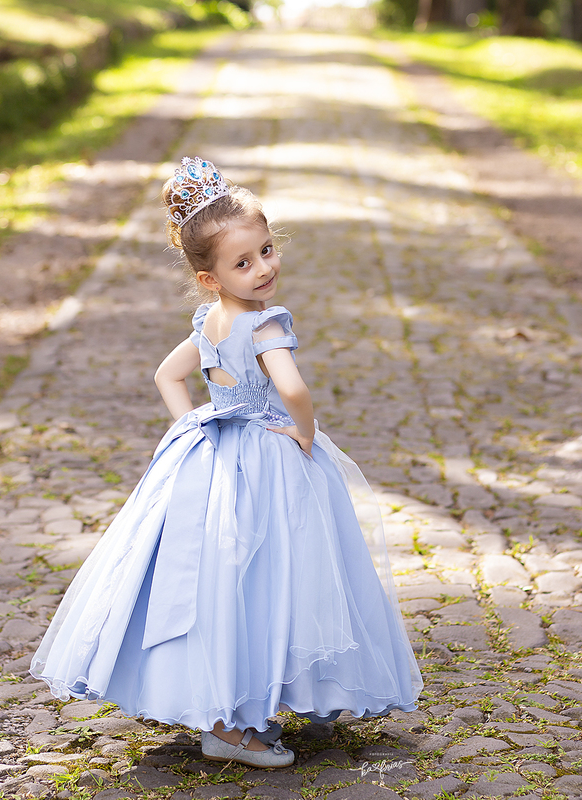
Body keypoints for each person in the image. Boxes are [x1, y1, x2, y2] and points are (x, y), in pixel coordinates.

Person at [30, 157, 423, 769]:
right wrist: (304, 432)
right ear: (209, 276)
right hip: (268, 453)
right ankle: (233, 723)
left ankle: (228, 705)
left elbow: (168, 375)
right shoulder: (266, 324)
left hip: (215, 454)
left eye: (266, 251)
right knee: (274, 570)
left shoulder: (209, 322)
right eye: (244, 263)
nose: (263, 268)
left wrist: (191, 422)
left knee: (225, 575)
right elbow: (291, 389)